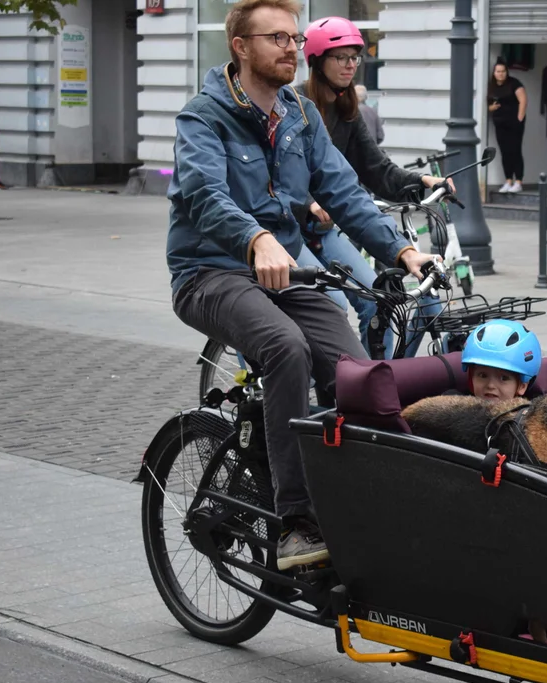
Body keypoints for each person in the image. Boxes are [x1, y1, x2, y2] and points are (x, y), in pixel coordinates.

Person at [165, 0, 438, 571]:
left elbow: (343, 191)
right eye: (277, 38)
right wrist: (256, 239)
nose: (292, 47)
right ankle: (295, 521)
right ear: (240, 47)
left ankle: (356, 496)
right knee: (284, 348)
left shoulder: (300, 116)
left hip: (283, 272)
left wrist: (403, 250)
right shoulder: (203, 116)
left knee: (355, 372)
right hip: (209, 271)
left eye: (294, 37)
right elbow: (202, 195)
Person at [300, 15, 450, 357]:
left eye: (355, 57)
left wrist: (421, 181)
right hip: (291, 228)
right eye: (341, 57)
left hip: (326, 230)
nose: (350, 64)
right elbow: (281, 171)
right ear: (317, 61)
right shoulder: (295, 106)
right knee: (330, 304)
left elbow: (376, 169)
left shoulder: (347, 108)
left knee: (377, 302)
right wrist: (308, 200)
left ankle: (367, 390)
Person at [459, 320, 542, 401]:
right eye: (483, 375)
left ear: (522, 386)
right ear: (471, 379)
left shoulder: (530, 413)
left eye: (504, 378)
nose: (491, 386)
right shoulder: (457, 410)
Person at [487, 59, 527, 193]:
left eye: (503, 71)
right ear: (494, 73)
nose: (501, 74)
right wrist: (491, 108)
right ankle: (508, 180)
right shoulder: (491, 86)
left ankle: (518, 181)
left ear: (506, 72)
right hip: (500, 123)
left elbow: (523, 100)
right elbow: (487, 104)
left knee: (515, 150)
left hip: (514, 123)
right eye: (498, 71)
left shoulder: (513, 83)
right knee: (505, 152)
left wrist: (519, 118)